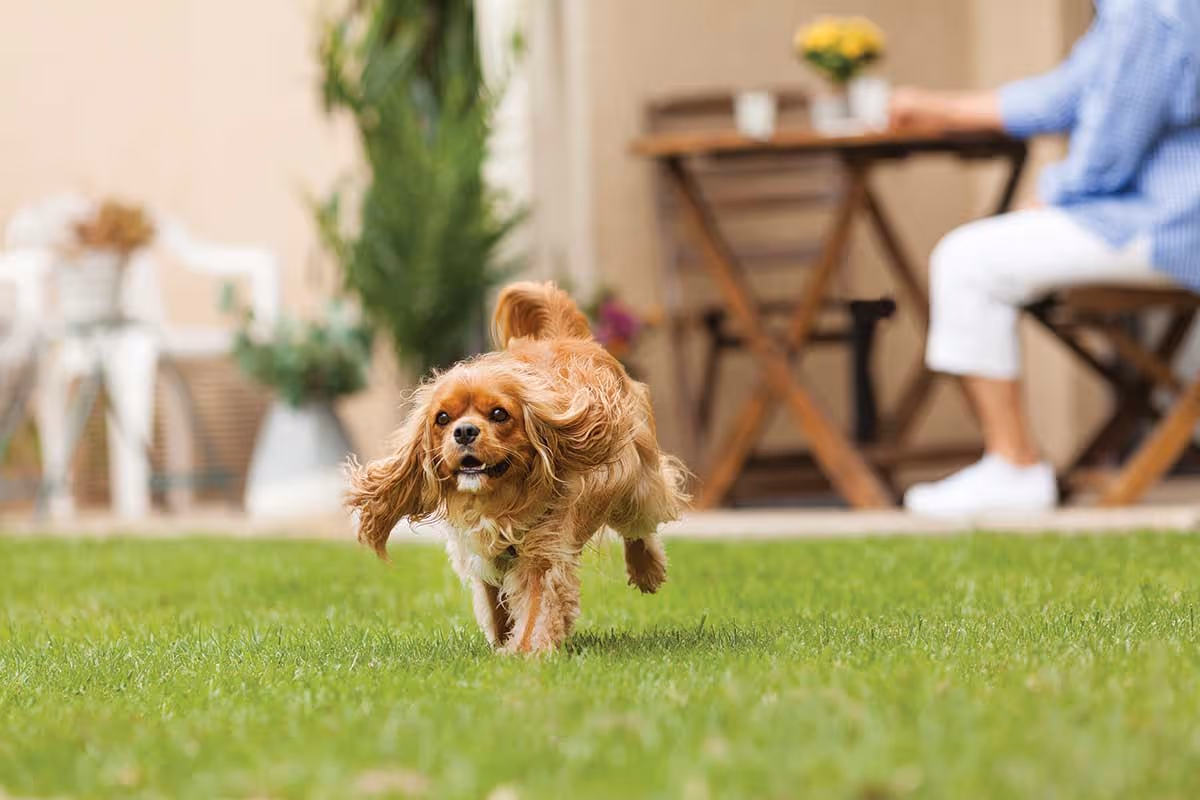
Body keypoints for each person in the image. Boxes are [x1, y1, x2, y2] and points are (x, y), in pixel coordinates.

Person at [891, 0, 1200, 517]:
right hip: (1158, 217)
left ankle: (1013, 465)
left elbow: (1114, 142)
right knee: (978, 254)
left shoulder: (1149, 8)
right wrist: (938, 108)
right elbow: (1066, 94)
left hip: (1169, 222)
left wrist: (1052, 195)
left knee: (967, 261)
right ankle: (1011, 466)